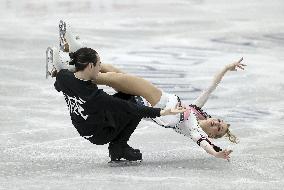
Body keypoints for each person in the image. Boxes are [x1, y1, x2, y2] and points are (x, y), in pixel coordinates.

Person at [50, 21, 246, 161]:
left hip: (156, 101)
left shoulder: (193, 126)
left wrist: (216, 153)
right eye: (220, 121)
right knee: (116, 74)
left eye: (217, 129)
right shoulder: (197, 110)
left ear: (212, 134)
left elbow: (202, 142)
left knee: (113, 78)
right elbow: (211, 87)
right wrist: (226, 68)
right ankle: (76, 58)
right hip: (152, 98)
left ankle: (72, 64)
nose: (216, 124)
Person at [52, 47, 186, 162]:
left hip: (84, 125)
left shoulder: (64, 77)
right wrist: (162, 112)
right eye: (99, 64)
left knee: (128, 95)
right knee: (135, 102)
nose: (100, 68)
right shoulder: (95, 96)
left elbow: (58, 86)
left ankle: (118, 146)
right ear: (91, 66)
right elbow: (129, 108)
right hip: (100, 134)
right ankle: (119, 147)